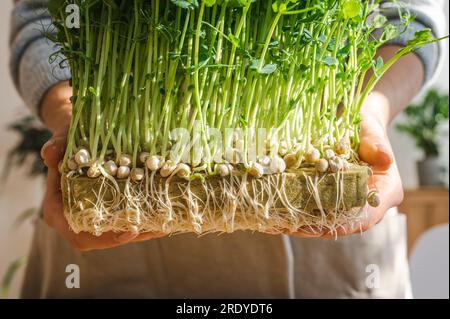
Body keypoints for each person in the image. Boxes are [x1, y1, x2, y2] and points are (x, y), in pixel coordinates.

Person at [10, 0, 447, 298]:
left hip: (329, 258)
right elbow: (42, 22)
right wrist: (76, 121)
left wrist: (365, 112)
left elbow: (408, 17)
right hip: (122, 212)